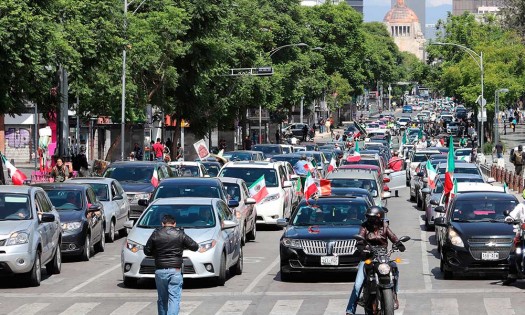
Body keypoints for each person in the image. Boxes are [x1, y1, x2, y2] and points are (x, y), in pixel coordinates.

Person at [346, 206, 405, 314]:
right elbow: (360, 238)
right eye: (369, 217)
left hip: (383, 256)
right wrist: (361, 246)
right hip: (368, 257)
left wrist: (398, 243)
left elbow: (393, 236)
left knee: (394, 268)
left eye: (373, 218)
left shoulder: (384, 226)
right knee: (358, 285)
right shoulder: (364, 226)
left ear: (379, 218)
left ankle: (395, 295)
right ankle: (350, 310)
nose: (371, 220)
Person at [144, 215, 200, 315]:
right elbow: (195, 246)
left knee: (162, 299)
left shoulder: (156, 234)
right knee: (174, 298)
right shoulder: (180, 234)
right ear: (174, 224)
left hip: (160, 270)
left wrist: (157, 252)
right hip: (176, 270)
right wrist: (182, 245)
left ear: (162, 224)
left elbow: (147, 251)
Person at [503, 195, 525, 285]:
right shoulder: (521, 206)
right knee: (514, 253)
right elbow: (513, 214)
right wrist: (509, 218)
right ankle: (512, 275)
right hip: (523, 235)